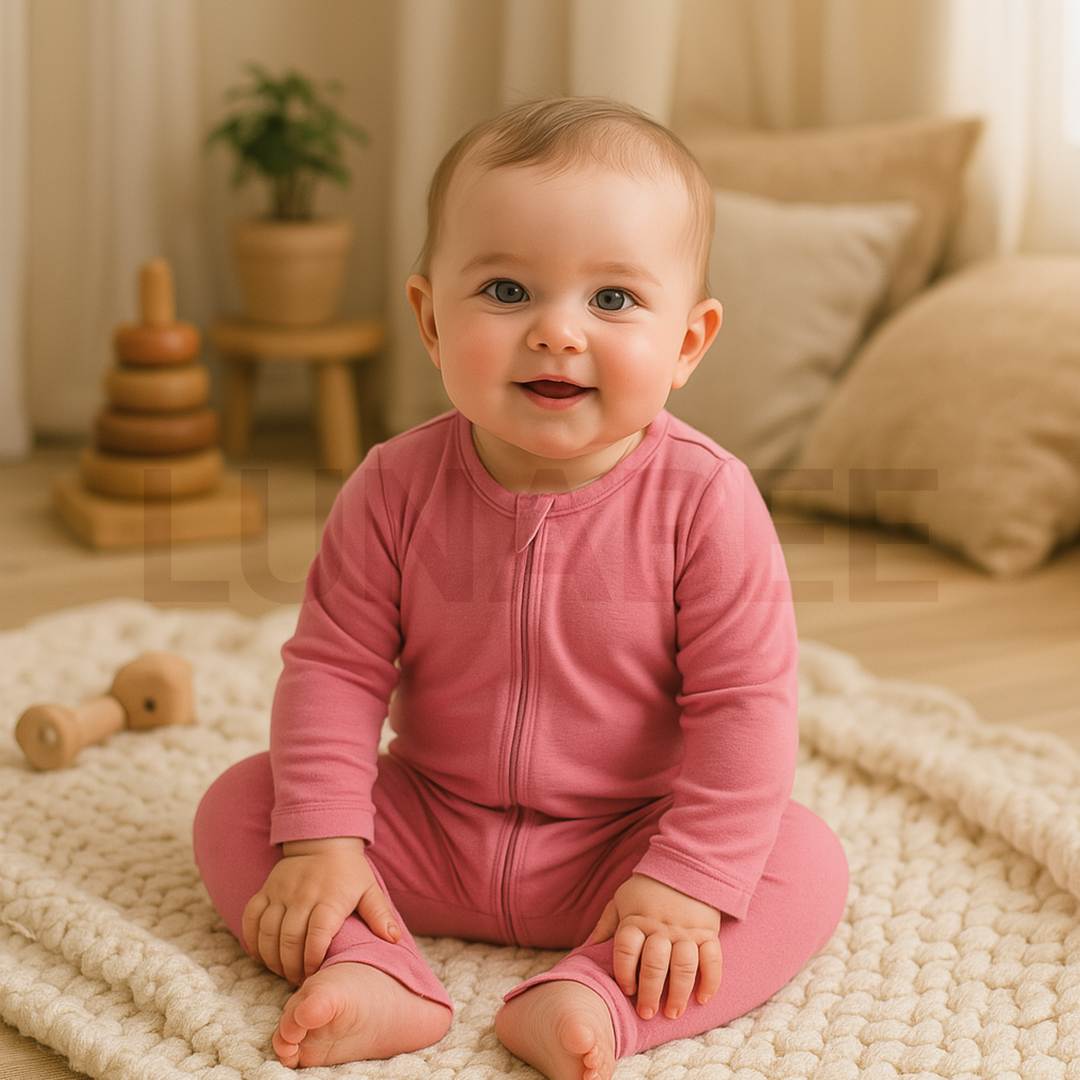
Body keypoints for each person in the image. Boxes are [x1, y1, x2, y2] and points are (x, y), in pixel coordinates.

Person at [193, 96, 849, 1080]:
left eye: (613, 299)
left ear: (687, 342)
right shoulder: (393, 486)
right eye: (506, 290)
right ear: (430, 319)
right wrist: (326, 842)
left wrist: (686, 879)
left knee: (800, 862)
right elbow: (334, 669)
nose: (557, 332)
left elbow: (745, 706)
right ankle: (371, 966)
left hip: (623, 852)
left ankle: (597, 996)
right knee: (245, 806)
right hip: (429, 828)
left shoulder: (707, 500)